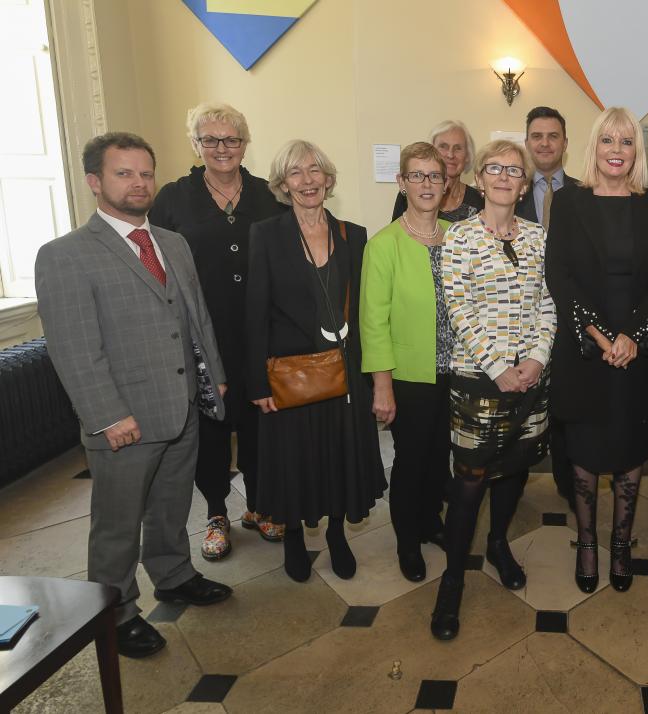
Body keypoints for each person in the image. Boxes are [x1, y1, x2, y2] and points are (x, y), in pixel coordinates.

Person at [35, 132, 233, 658]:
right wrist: (107, 416)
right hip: (125, 420)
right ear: (95, 182)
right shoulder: (65, 256)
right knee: (117, 527)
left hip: (182, 405)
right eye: (124, 173)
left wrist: (214, 375)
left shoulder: (172, 243)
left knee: (171, 506)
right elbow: (76, 350)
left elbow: (195, 316)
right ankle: (116, 614)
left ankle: (173, 574)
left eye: (145, 173)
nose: (138, 183)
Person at [546, 107, 648, 595]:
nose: (616, 151)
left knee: (630, 446)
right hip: (586, 352)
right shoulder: (567, 203)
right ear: (594, 147)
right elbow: (559, 277)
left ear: (637, 152)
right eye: (608, 140)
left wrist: (632, 337)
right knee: (584, 447)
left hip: (638, 354)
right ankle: (587, 541)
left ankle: (620, 543)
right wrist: (604, 337)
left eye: (626, 142)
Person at [430, 140, 556, 640]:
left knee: (515, 469)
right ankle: (453, 579)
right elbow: (459, 310)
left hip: (531, 377)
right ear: (480, 179)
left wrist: (536, 359)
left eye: (514, 170)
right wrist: (500, 366)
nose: (504, 176)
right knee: (470, 480)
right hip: (478, 379)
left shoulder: (539, 237)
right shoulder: (457, 238)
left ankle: (500, 544)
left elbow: (550, 303)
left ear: (524, 184)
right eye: (495, 168)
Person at [246, 140, 386, 584]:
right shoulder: (266, 235)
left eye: (314, 171)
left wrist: (373, 378)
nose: (307, 181)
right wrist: (257, 383)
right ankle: (292, 536)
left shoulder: (354, 235)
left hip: (344, 374)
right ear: (282, 184)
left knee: (339, 456)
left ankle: (338, 534)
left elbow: (367, 311)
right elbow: (254, 312)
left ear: (328, 178)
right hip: (289, 376)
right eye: (295, 173)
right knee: (294, 460)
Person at [150, 102, 285, 560]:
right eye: (211, 139)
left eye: (231, 139)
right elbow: (158, 270)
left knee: (260, 420)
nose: (222, 148)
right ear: (196, 144)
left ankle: (261, 505)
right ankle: (215, 511)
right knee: (210, 425)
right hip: (199, 333)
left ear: (245, 144)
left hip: (259, 333)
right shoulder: (172, 198)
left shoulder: (269, 195)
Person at [360, 142, 451, 582]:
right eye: (417, 176)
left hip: (456, 372)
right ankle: (407, 540)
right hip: (409, 376)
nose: (427, 184)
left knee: (440, 457)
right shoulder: (383, 246)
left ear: (445, 182)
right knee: (412, 459)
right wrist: (382, 386)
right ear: (402, 182)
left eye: (434, 175)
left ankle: (432, 521)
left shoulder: (460, 237)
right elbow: (373, 323)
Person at [516, 105, 578, 507]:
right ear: (527, 143)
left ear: (565, 144)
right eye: (537, 136)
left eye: (552, 136)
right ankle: (512, 480)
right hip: (521, 320)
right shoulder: (510, 191)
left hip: (571, 319)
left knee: (567, 404)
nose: (544, 143)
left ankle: (569, 484)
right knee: (522, 401)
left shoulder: (584, 193)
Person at [391, 120, 484, 222]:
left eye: (458, 148)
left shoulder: (479, 200)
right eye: (443, 146)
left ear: (467, 156)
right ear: (431, 151)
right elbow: (397, 231)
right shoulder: (412, 193)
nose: (450, 155)